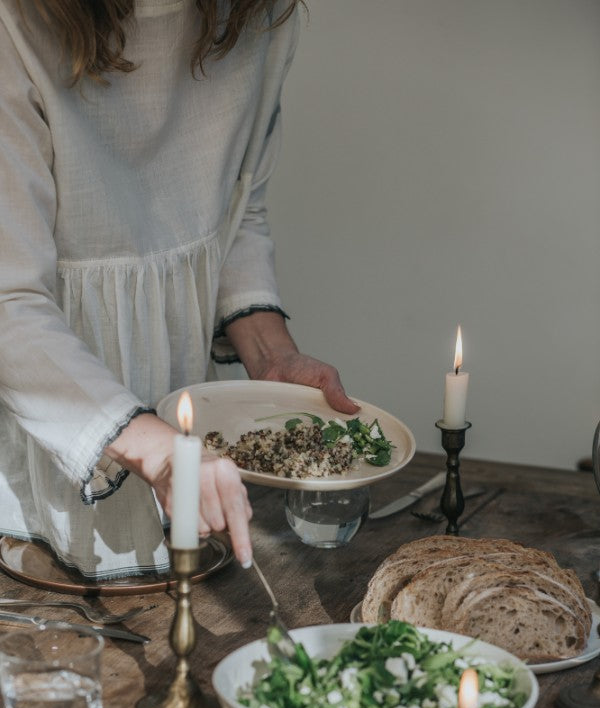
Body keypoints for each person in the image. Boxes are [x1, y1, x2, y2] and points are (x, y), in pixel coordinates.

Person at [0, 0, 358, 579]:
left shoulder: (262, 17)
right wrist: (159, 451)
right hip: (54, 435)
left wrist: (272, 354)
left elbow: (234, 214)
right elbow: (7, 301)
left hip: (192, 438)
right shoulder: (14, 24)